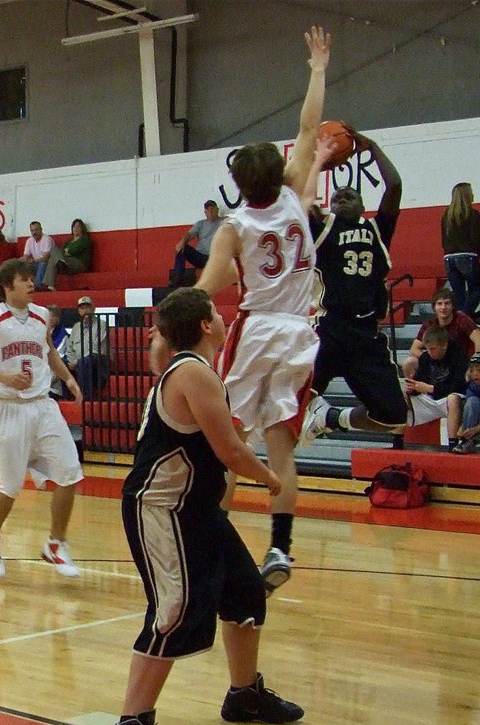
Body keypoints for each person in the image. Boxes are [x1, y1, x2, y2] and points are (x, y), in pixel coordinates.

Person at [106, 288, 302, 725]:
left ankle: (244, 694)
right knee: (175, 608)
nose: (223, 314)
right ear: (205, 326)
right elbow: (230, 450)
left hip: (194, 507)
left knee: (244, 590)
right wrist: (271, 477)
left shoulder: (199, 370)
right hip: (161, 507)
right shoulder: (192, 371)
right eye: (216, 311)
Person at [195, 25, 332, 595]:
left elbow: (206, 287)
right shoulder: (296, 190)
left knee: (227, 445)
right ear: (277, 174)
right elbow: (306, 126)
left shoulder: (234, 225)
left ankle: (214, 544)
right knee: (281, 446)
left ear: (237, 186)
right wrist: (318, 68)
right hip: (300, 333)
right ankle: (280, 546)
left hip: (255, 332)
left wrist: (183, 323)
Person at [0, 259, 84, 578]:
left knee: (70, 474)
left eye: (32, 279)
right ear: (7, 286)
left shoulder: (42, 316)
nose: (32, 284)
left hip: (44, 406)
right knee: (10, 487)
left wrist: (68, 379)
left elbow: (50, 353)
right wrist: (1, 374)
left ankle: (55, 544)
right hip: (9, 408)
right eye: (24, 279)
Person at [300, 130, 408, 450]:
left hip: (366, 335)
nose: (343, 197)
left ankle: (331, 420)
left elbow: (395, 186)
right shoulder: (324, 229)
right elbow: (303, 201)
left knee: (393, 415)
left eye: (350, 195)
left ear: (362, 205)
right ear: (330, 206)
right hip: (330, 328)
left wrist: (372, 148)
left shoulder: (378, 229)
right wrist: (318, 164)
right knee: (292, 401)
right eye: (337, 196)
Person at [405, 325, 468, 451]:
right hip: (431, 399)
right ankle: (397, 440)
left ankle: (453, 444)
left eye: (433, 349)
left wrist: (430, 388)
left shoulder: (458, 356)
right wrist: (413, 388)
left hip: (451, 400)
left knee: (453, 398)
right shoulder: (425, 357)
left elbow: (457, 387)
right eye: (427, 349)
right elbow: (419, 382)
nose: (430, 352)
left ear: (444, 345)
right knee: (401, 395)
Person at [402, 287, 480, 377]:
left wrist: (475, 363)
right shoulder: (429, 324)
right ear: (434, 307)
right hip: (437, 364)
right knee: (409, 362)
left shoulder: (462, 319)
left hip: (460, 363)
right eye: (439, 304)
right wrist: (431, 357)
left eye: (447, 303)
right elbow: (414, 349)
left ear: (453, 306)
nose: (443, 307)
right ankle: (413, 389)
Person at [441, 182, 480, 318]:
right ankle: (463, 319)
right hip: (467, 256)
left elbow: (444, 239)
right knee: (477, 290)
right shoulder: (473, 214)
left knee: (458, 296)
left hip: (449, 257)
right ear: (467, 195)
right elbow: (477, 238)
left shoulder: (447, 216)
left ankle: (460, 320)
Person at [65, 295, 110, 401]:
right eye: (82, 308)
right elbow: (70, 347)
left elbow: (96, 349)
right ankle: (66, 397)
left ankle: (86, 398)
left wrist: (78, 361)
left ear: (93, 309)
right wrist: (72, 361)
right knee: (62, 363)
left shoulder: (101, 325)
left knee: (85, 362)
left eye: (88, 307)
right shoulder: (76, 327)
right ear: (79, 311)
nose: (85, 311)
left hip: (97, 362)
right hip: (79, 362)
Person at [170, 201, 223, 287]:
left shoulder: (224, 222)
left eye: (212, 209)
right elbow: (190, 234)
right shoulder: (201, 224)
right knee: (182, 248)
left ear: (217, 210)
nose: (210, 212)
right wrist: (182, 242)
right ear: (205, 212)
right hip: (201, 256)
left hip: (215, 257)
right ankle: (177, 280)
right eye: (208, 210)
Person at [42, 218, 92, 291]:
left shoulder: (85, 239)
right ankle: (60, 263)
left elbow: (74, 250)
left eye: (78, 226)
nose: (76, 228)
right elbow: (62, 251)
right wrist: (65, 252)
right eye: (74, 226)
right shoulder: (68, 241)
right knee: (53, 251)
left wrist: (67, 252)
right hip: (68, 262)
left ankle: (51, 285)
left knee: (54, 257)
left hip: (79, 263)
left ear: (82, 228)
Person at [20, 221, 55, 289]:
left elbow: (46, 258)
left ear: (41, 229)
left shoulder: (47, 239)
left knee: (43, 263)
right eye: (32, 230)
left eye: (36, 230)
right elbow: (25, 256)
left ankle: (37, 287)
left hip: (48, 265)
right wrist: (22, 260)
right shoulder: (29, 241)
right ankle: (22, 289)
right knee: (22, 265)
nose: (34, 232)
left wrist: (33, 260)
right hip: (35, 264)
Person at [47, 304, 68, 400]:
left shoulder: (62, 335)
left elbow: (58, 358)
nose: (49, 318)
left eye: (52, 316)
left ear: (57, 319)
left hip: (53, 381)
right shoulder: (39, 332)